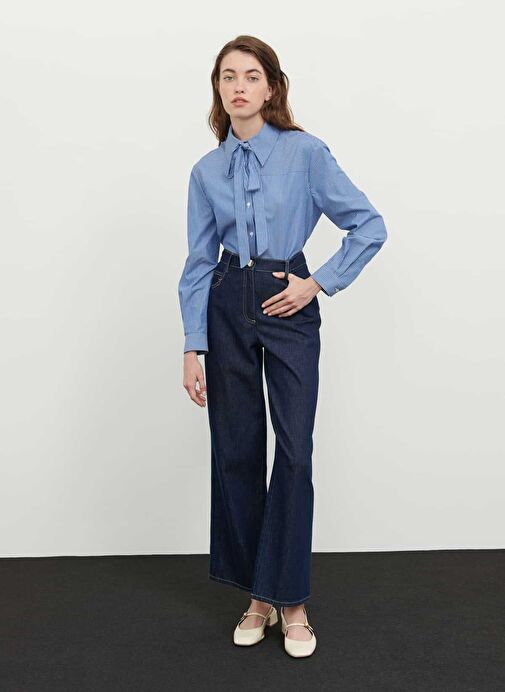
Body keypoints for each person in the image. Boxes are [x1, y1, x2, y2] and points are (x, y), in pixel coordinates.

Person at [178, 35, 388, 658]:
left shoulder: (305, 153)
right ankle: (259, 596)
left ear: (271, 87)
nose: (239, 86)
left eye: (251, 75)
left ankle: (293, 599)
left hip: (287, 299)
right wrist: (193, 345)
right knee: (237, 452)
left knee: (294, 453)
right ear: (218, 90)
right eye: (227, 77)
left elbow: (368, 225)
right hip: (226, 304)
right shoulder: (206, 171)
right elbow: (198, 262)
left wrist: (315, 282)